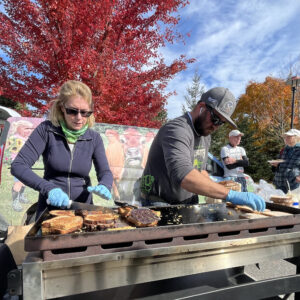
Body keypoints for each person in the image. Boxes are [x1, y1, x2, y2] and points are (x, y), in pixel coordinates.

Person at [140, 87, 265, 211]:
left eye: (221, 123)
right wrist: (230, 194)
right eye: (215, 119)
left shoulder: (205, 135)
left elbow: (200, 170)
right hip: (160, 202)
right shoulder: (177, 129)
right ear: (201, 107)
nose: (216, 126)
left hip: (187, 200)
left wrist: (216, 187)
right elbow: (184, 176)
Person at [11, 80, 113, 219]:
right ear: (61, 108)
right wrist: (48, 188)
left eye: (85, 113)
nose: (79, 118)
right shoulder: (46, 130)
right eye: (72, 111)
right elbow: (18, 166)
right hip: (49, 210)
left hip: (82, 210)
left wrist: (105, 184)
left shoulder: (94, 138)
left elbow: (105, 172)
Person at [272, 129, 300, 193]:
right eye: (286, 136)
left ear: (297, 138)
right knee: (279, 202)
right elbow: (279, 164)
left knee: (293, 201)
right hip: (279, 183)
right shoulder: (284, 150)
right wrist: (276, 165)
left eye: (289, 136)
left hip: (294, 184)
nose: (286, 138)